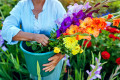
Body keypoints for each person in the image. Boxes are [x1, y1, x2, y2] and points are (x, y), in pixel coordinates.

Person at [1, 0, 66, 80]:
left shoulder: (55, 5)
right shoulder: (22, 5)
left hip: (52, 59)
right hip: (31, 58)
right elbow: (6, 30)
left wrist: (60, 55)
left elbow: (69, 33)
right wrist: (34, 36)